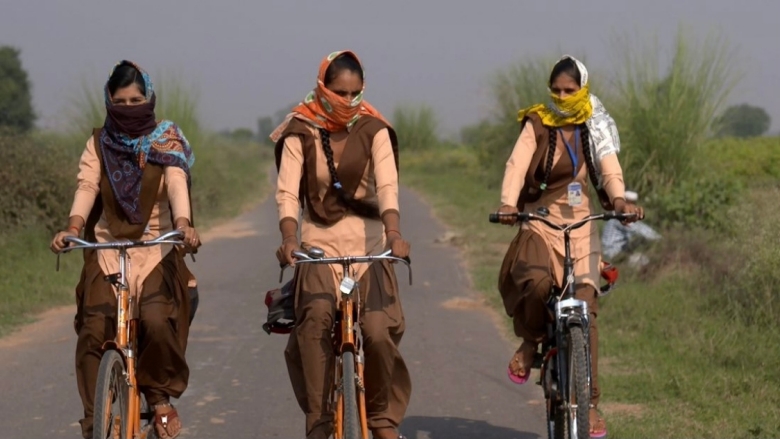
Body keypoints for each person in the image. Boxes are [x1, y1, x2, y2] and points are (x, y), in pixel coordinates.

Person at [494, 55, 644, 438]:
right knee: (536, 283)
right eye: (556, 90)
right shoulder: (538, 122)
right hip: (540, 223)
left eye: (570, 90)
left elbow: (609, 168)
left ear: (583, 89)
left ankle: (590, 403)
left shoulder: (594, 123)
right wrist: (509, 204)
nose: (562, 96)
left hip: (581, 225)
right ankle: (530, 343)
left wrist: (621, 201)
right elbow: (517, 163)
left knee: (587, 309)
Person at [49, 60, 199, 439]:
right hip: (108, 248)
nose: (129, 108)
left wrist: (183, 225)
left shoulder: (166, 139)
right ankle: (94, 421)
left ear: (149, 99)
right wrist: (72, 227)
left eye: (136, 100)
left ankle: (160, 397)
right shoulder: (98, 143)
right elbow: (86, 186)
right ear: (108, 101)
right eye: (121, 101)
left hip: (156, 247)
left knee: (154, 318)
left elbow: (177, 182)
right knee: (92, 332)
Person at [270, 50, 411, 439]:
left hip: (369, 247)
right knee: (314, 322)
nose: (346, 101)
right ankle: (318, 420)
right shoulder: (300, 129)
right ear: (321, 87)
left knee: (379, 333)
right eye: (338, 92)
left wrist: (394, 234)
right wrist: (288, 237)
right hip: (317, 246)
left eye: (354, 93)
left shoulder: (374, 129)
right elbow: (286, 193)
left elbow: (387, 186)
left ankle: (381, 418)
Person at [601, 190, 661, 265]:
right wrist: (659, 239)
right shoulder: (618, 216)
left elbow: (640, 227)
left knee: (641, 241)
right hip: (613, 252)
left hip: (619, 250)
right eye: (629, 203)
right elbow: (638, 229)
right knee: (644, 261)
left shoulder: (622, 215)